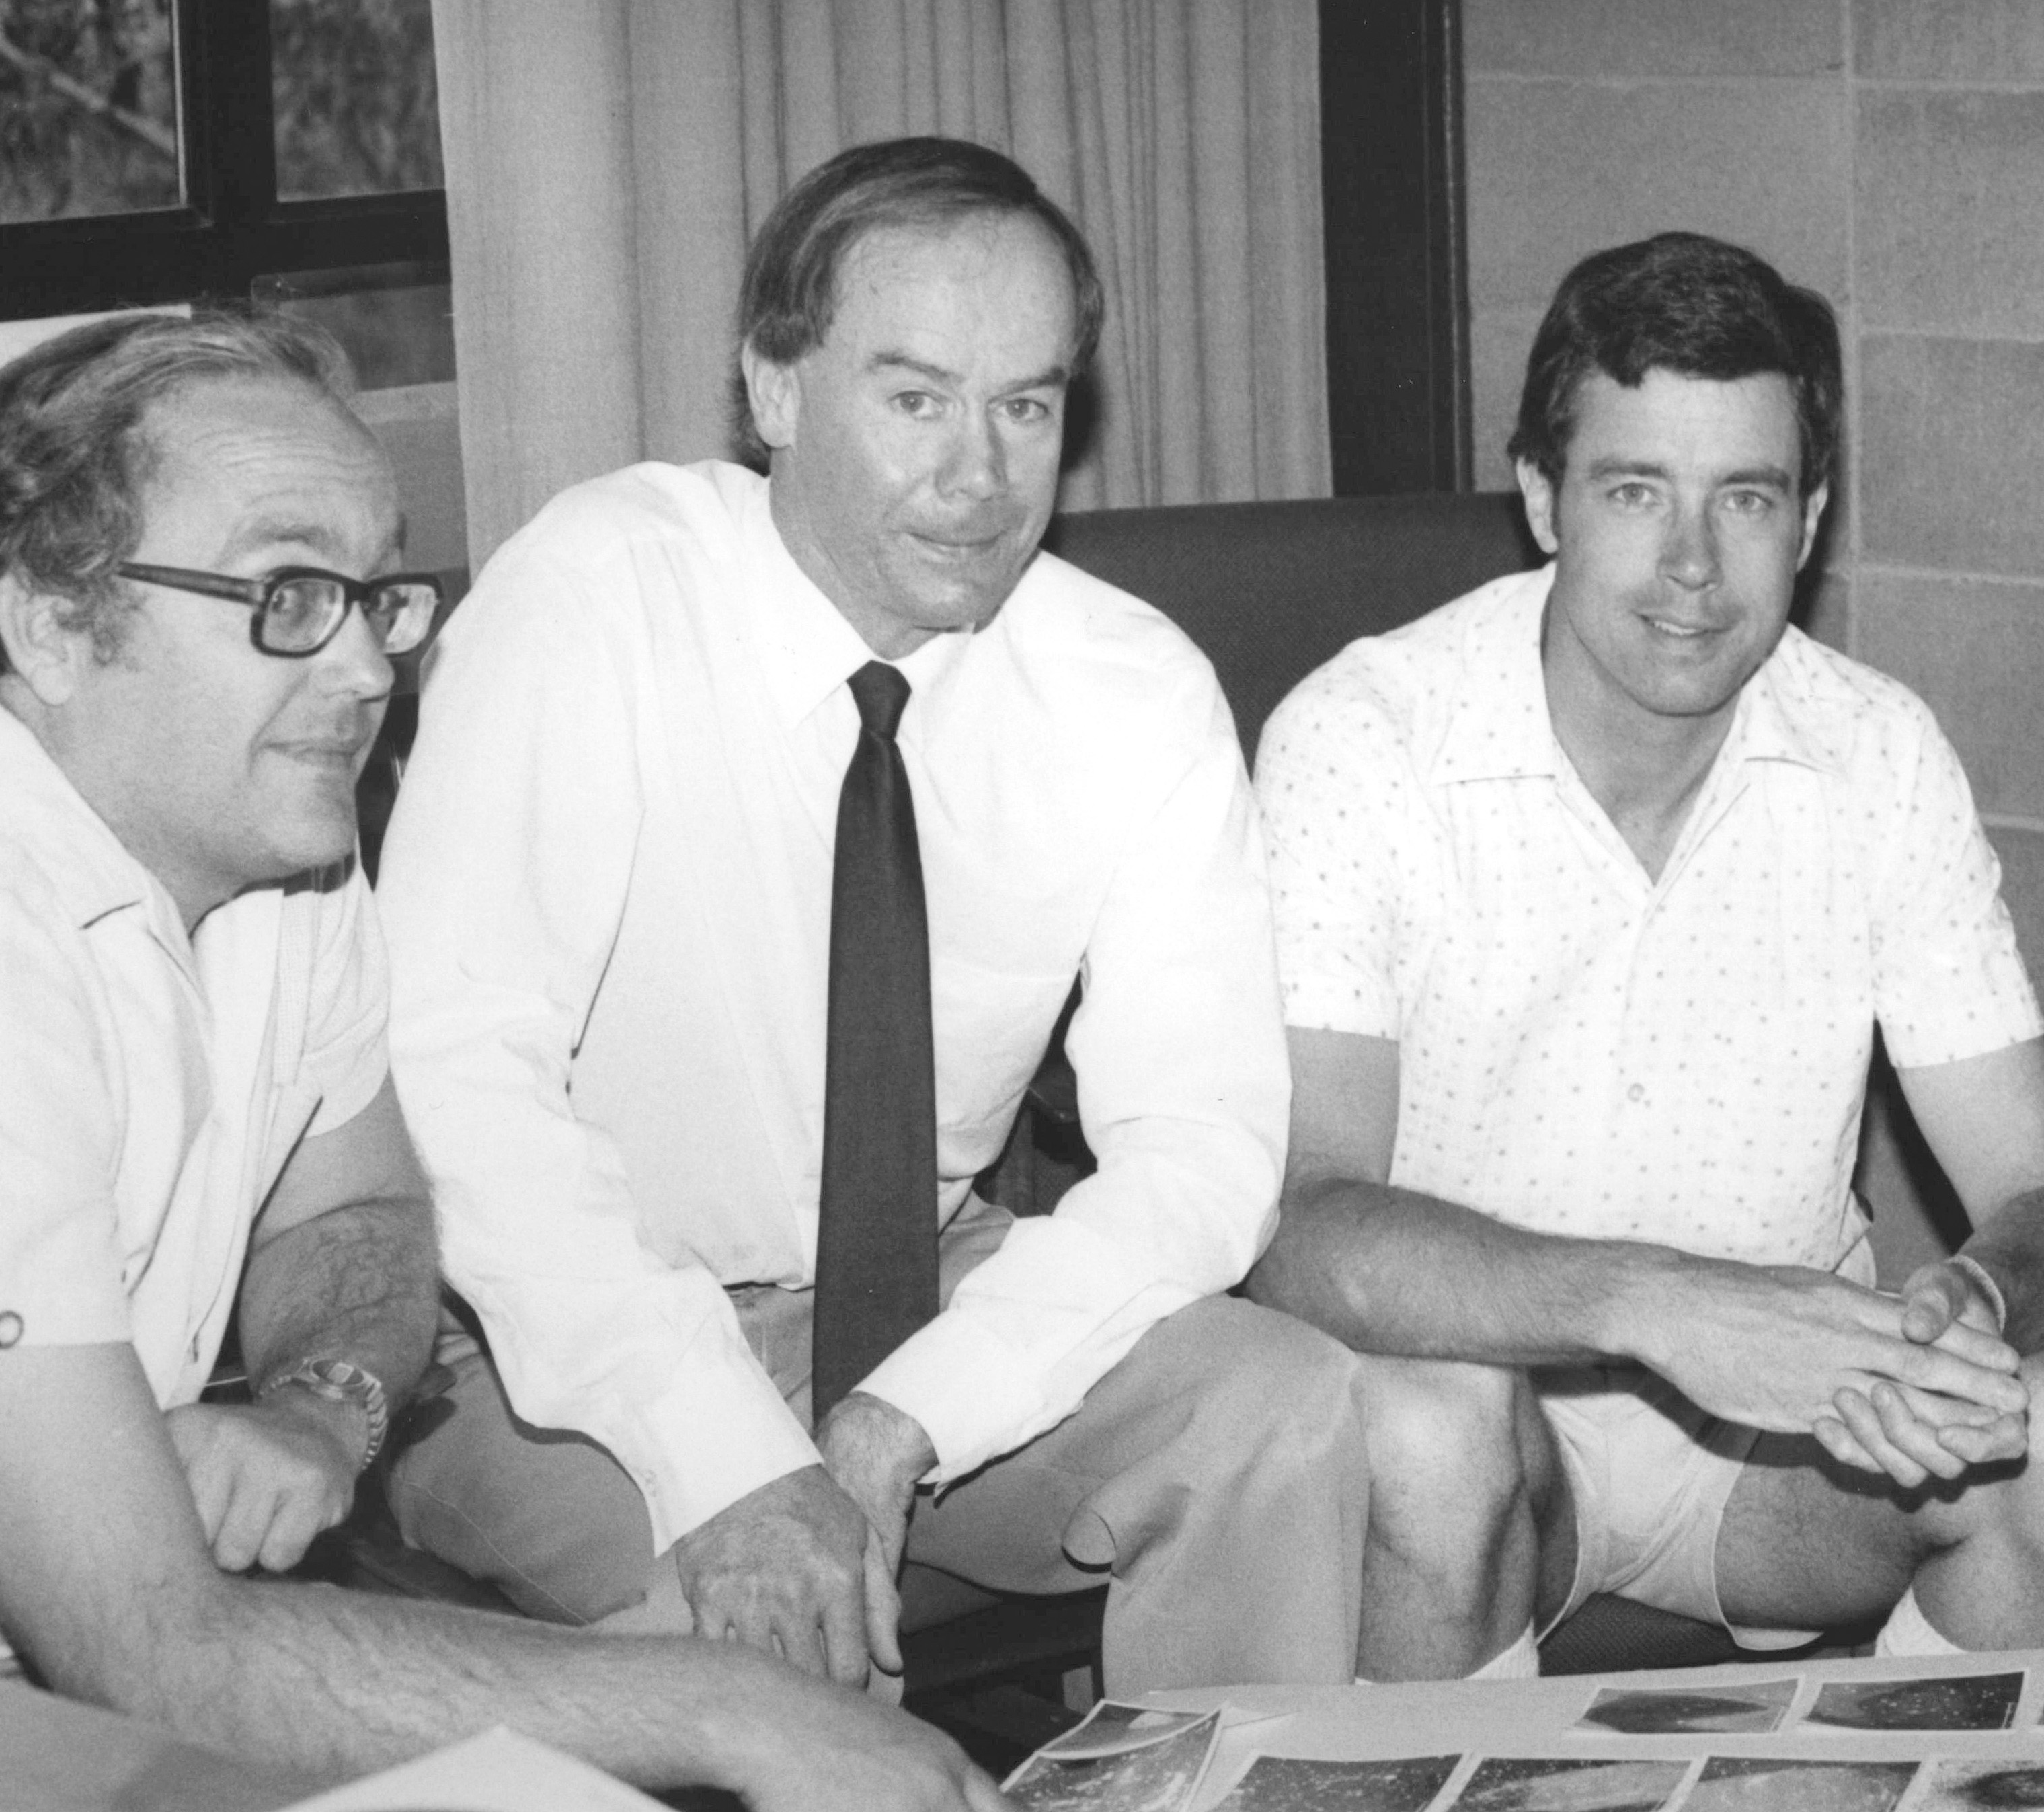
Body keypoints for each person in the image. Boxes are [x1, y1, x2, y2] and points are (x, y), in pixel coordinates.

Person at [0, 308, 1000, 1811]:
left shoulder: (276, 854)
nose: (366, 666)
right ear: (51, 625)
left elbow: (358, 1207)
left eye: (377, 595)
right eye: (288, 593)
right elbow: (156, 1653)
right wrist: (742, 1714)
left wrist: (321, 1405)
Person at [376, 136, 1363, 1694]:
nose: (981, 477)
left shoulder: (1129, 686)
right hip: (556, 1335)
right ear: (773, 390)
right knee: (769, 1664)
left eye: (1026, 406)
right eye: (916, 401)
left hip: (930, 1291)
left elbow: (1204, 1143)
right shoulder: (596, 595)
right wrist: (725, 1451)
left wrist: (920, 1408)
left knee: (1283, 1407)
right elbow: (459, 1076)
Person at [1247, 231, 2044, 1682]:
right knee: (1430, 1422)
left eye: (1745, 497)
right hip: (1483, 1419)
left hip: (1782, 1453)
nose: (1691, 565)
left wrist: (1975, 1301)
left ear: (1809, 520)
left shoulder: (1878, 751)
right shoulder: (1364, 740)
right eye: (1634, 491)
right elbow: (1301, 1225)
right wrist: (1667, 1305)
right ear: (1541, 497)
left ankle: (1884, 1778)